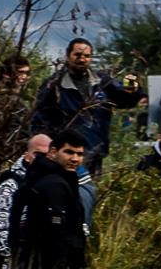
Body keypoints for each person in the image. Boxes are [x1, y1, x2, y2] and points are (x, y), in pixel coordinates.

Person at [30, 37, 142, 222]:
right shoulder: (54, 85)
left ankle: (84, 230)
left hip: (94, 151)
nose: (82, 59)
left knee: (88, 197)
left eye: (87, 56)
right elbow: (40, 119)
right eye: (78, 55)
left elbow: (125, 100)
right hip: (65, 154)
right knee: (63, 198)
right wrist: (45, 149)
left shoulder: (102, 82)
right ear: (68, 56)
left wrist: (134, 89)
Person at [8, 130, 91, 269]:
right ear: (53, 152)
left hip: (35, 268)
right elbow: (55, 236)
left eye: (79, 154)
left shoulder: (47, 177)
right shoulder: (54, 185)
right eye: (69, 152)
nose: (75, 159)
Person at [0, 134, 47, 269]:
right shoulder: (10, 186)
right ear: (27, 155)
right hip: (8, 268)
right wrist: (16, 257)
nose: (41, 159)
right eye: (37, 154)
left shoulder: (45, 183)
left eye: (46, 155)